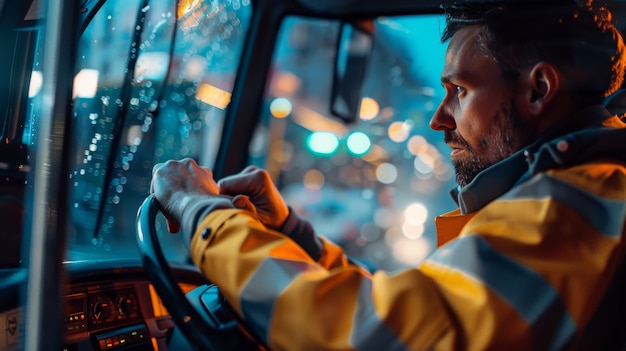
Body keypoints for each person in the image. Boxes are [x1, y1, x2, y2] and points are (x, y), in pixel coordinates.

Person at [151, 0, 626, 349]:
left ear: (538, 90)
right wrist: (295, 237)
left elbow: (375, 338)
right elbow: (417, 312)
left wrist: (202, 210)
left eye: (459, 90)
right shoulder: (580, 194)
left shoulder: (573, 210)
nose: (440, 118)